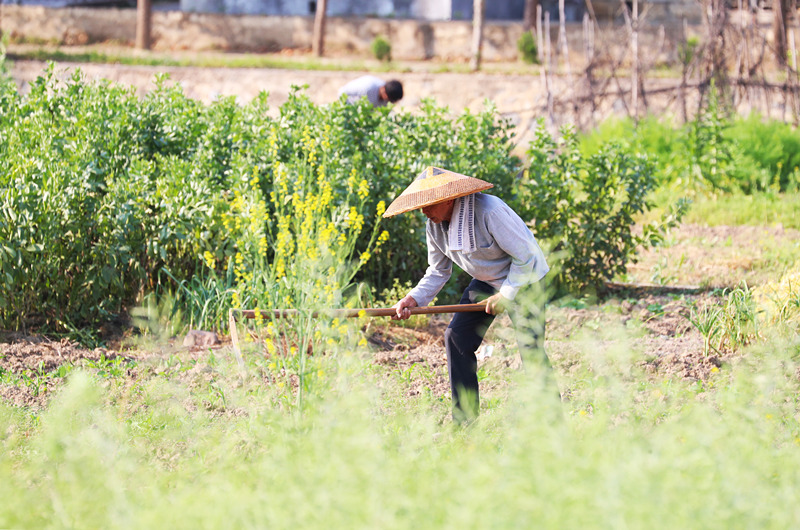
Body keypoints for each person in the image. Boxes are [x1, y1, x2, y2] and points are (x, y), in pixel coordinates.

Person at [383, 166, 554, 423]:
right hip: (487, 281)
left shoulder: (489, 211)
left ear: (448, 199)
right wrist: (413, 298)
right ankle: (465, 421)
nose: (424, 211)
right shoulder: (435, 226)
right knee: (456, 337)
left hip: (525, 278)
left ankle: (553, 423)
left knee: (530, 347)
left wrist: (507, 294)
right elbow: (438, 271)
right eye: (421, 206)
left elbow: (526, 255)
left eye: (429, 204)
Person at [338, 75, 403, 107]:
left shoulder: (387, 96)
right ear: (384, 93)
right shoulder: (368, 88)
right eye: (388, 99)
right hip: (347, 99)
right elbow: (342, 93)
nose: (388, 102)